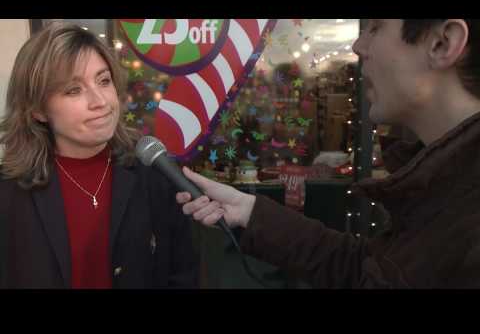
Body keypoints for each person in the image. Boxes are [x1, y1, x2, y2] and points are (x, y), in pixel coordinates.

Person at [176, 19, 480, 288]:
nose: (358, 45)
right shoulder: (440, 187)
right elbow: (366, 269)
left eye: (375, 27)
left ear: (443, 43)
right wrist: (251, 212)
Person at [0, 21, 199, 289]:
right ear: (38, 109)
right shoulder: (9, 190)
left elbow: (183, 275)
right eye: (74, 90)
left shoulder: (155, 173)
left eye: (103, 81)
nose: (101, 101)